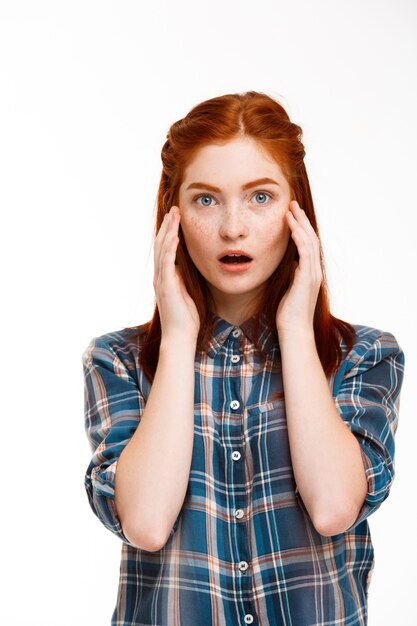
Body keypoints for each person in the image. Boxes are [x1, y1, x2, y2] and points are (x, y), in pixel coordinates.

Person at [82, 91, 405, 626]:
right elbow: (145, 522)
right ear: (174, 215)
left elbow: (333, 509)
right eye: (205, 199)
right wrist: (180, 336)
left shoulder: (363, 356)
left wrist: (297, 330)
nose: (233, 227)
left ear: (296, 210)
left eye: (261, 197)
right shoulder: (118, 360)